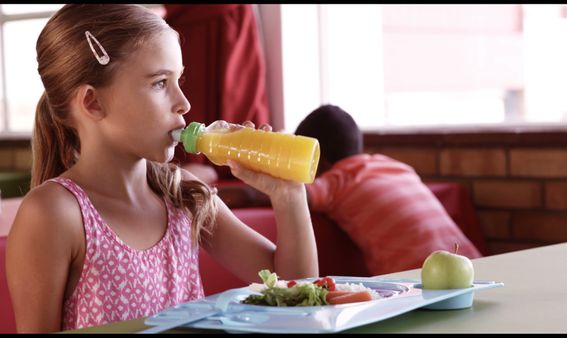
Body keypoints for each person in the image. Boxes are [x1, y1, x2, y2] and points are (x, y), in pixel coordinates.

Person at [5, 4, 317, 333]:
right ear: (92, 103)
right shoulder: (54, 214)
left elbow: (296, 295)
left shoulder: (184, 195)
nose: (184, 103)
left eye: (179, 79)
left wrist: (288, 195)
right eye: (159, 83)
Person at [295, 104, 482, 276]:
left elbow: (292, 193)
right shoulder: (394, 166)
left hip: (419, 278)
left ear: (316, 161)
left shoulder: (338, 180)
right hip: (472, 266)